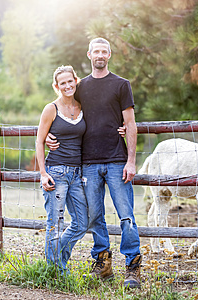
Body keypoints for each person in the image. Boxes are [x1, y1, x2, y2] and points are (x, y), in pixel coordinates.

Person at [46, 37, 141, 288]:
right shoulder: (81, 87)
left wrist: (131, 161)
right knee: (95, 216)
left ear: (109, 55)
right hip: (87, 163)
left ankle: (132, 266)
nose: (100, 55)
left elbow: (130, 124)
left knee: (126, 216)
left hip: (116, 161)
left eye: (104, 51)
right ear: (89, 55)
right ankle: (103, 263)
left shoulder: (122, 85)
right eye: (96, 51)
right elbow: (65, 113)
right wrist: (49, 138)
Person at [36, 65, 88, 274]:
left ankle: (58, 262)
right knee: (55, 223)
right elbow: (39, 141)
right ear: (56, 86)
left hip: (77, 174)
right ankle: (55, 271)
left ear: (76, 81)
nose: (67, 86)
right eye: (62, 83)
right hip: (56, 172)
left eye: (70, 81)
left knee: (82, 223)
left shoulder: (83, 106)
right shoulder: (51, 109)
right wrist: (43, 173)